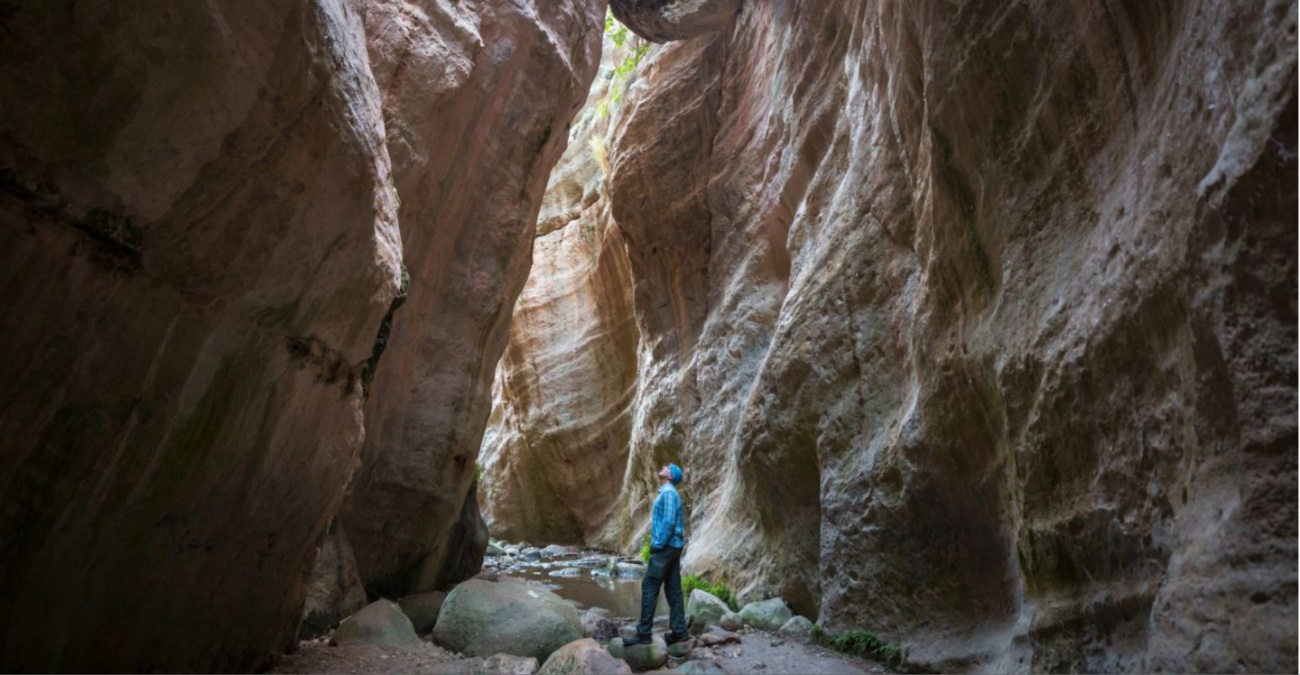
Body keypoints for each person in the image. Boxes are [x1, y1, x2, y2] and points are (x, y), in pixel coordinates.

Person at [625, 463, 690, 646]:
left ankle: (643, 633)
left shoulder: (668, 492)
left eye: (668, 467)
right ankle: (680, 632)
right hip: (673, 546)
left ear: (671, 477)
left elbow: (668, 521)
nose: (663, 467)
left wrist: (657, 544)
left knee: (649, 585)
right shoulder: (667, 491)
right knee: (673, 588)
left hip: (666, 546)